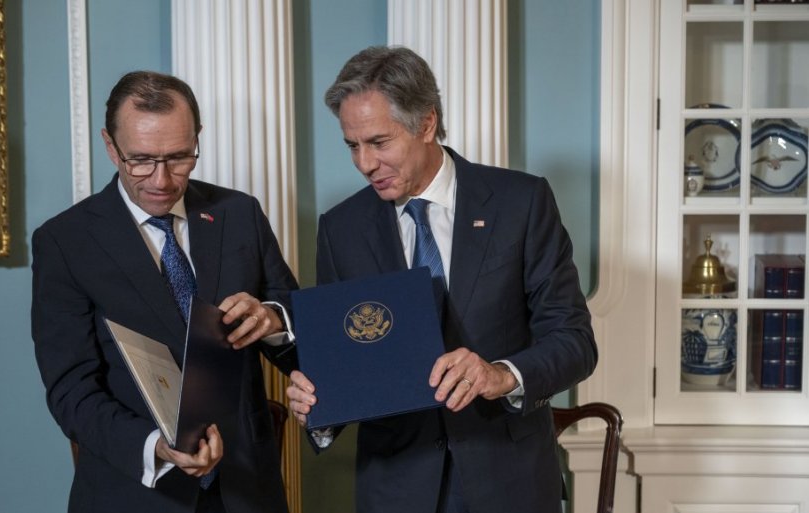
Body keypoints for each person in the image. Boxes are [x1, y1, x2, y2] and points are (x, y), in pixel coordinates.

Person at [286, 46, 598, 513]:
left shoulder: (521, 202)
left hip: (508, 481)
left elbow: (574, 341)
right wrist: (318, 404)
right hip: (396, 490)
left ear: (426, 123)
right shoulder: (340, 229)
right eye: (352, 145)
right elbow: (347, 363)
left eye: (379, 142)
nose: (365, 163)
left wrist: (501, 375)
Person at [32, 71, 297, 513]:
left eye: (178, 157)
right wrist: (155, 446)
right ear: (110, 146)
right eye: (140, 160)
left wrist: (272, 319)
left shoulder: (239, 213)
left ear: (197, 139)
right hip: (134, 493)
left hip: (247, 488)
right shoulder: (65, 242)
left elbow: (297, 328)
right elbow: (70, 390)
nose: (161, 180)